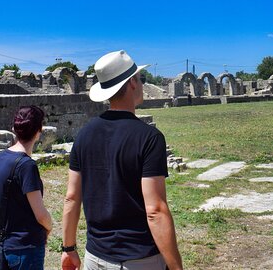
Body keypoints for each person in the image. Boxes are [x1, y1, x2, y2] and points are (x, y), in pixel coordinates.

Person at [61, 50, 183, 270]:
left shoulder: (84, 134)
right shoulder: (149, 138)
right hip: (139, 260)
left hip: (95, 257)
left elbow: (71, 198)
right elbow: (155, 210)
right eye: (141, 78)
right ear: (133, 83)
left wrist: (68, 249)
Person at [0, 105, 53, 270]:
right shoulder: (27, 166)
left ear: (14, 128)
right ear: (39, 131)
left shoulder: (1, 158)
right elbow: (40, 215)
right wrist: (49, 225)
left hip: (6, 243)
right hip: (26, 247)